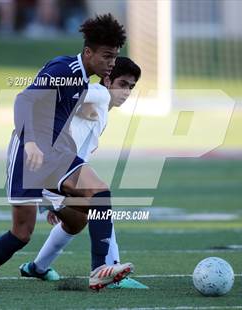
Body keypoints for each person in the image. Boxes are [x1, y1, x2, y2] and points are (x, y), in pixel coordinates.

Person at [0, 13, 132, 292]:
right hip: (28, 154)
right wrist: (31, 142)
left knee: (94, 202)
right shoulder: (64, 70)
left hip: (57, 155)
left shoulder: (82, 78)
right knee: (22, 233)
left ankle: (98, 271)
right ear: (88, 52)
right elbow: (23, 101)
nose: (111, 63)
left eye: (115, 57)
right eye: (106, 56)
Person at [19, 56, 148, 289]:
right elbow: (76, 91)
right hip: (55, 167)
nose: (127, 91)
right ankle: (112, 272)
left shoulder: (103, 106)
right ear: (107, 80)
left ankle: (36, 268)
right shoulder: (98, 93)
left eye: (131, 87)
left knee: (77, 222)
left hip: (62, 171)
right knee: (101, 205)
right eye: (122, 84)